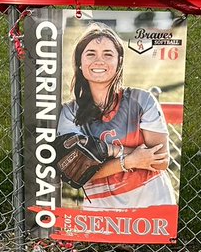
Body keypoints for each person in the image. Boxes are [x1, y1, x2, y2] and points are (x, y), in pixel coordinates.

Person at [57, 25, 174, 209]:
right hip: (102, 214)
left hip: (153, 205)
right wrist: (128, 158)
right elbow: (76, 170)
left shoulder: (141, 100)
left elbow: (160, 160)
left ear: (119, 61)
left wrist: (98, 153)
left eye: (108, 54)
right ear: (80, 62)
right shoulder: (70, 112)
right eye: (90, 54)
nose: (99, 61)